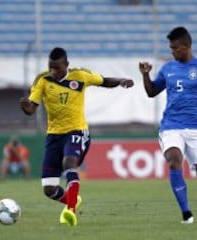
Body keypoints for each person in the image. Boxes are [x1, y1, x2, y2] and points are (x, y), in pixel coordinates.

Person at [20, 47, 134, 226]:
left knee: (69, 163)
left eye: (57, 68)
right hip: (54, 136)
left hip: (77, 131)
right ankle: (72, 200)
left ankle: (70, 211)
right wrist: (25, 106)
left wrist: (121, 80)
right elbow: (31, 108)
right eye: (51, 67)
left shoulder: (80, 76)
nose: (53, 71)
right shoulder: (42, 80)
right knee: (49, 189)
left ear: (66, 65)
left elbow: (104, 81)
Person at [139, 26, 197, 224]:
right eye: (171, 48)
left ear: (187, 46)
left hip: (196, 128)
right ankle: (186, 213)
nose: (172, 52)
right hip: (171, 126)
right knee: (174, 159)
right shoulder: (168, 69)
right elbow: (152, 92)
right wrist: (146, 75)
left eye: (176, 48)